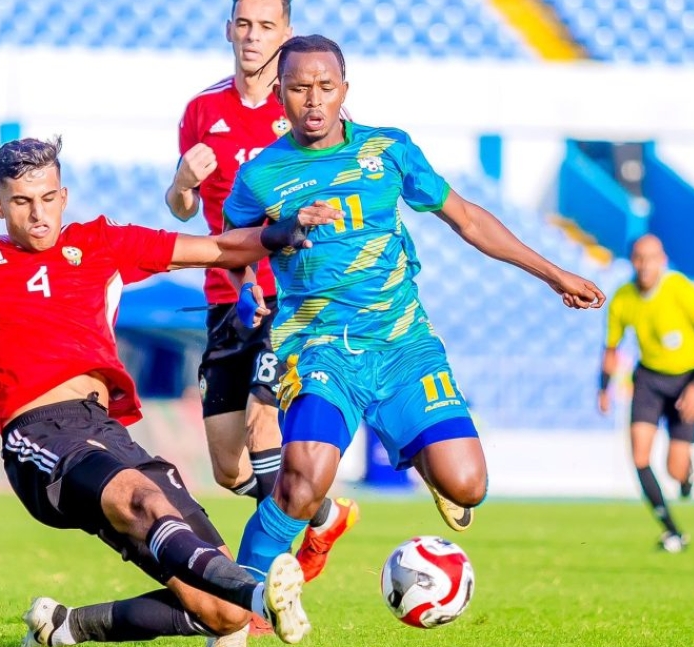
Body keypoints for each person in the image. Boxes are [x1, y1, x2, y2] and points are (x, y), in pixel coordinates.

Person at [0, 137, 341, 647]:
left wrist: (278, 234)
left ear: (64, 195)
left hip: (106, 431)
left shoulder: (100, 243)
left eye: (48, 198)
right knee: (139, 501)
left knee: (218, 614)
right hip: (38, 436)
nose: (39, 213)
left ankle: (65, 626)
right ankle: (255, 589)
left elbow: (216, 248)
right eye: (22, 201)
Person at [221, 35, 606, 581]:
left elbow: (468, 219)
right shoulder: (261, 175)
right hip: (318, 348)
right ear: (279, 94)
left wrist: (554, 275)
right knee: (303, 482)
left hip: (403, 343)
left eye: (326, 87)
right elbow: (233, 244)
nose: (313, 100)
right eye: (300, 88)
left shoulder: (389, 150)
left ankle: (428, 464)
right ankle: (240, 608)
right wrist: (245, 286)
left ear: (344, 91)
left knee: (469, 484)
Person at [164, 0, 357, 585]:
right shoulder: (202, 109)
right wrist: (181, 183)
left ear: (286, 33)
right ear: (229, 30)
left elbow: (345, 181)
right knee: (227, 466)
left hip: (292, 298)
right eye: (243, 24)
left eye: (266, 25)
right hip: (227, 294)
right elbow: (182, 208)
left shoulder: (305, 102)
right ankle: (322, 513)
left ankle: (267, 583)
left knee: (263, 427)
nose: (252, 36)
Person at [598, 234, 694, 553]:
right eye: (639, 258)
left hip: (687, 380)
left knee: (674, 468)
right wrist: (603, 388)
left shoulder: (679, 289)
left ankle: (686, 475)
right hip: (648, 379)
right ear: (632, 261)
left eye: (651, 257)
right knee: (640, 456)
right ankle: (672, 530)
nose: (645, 265)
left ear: (663, 260)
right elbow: (611, 348)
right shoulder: (623, 298)